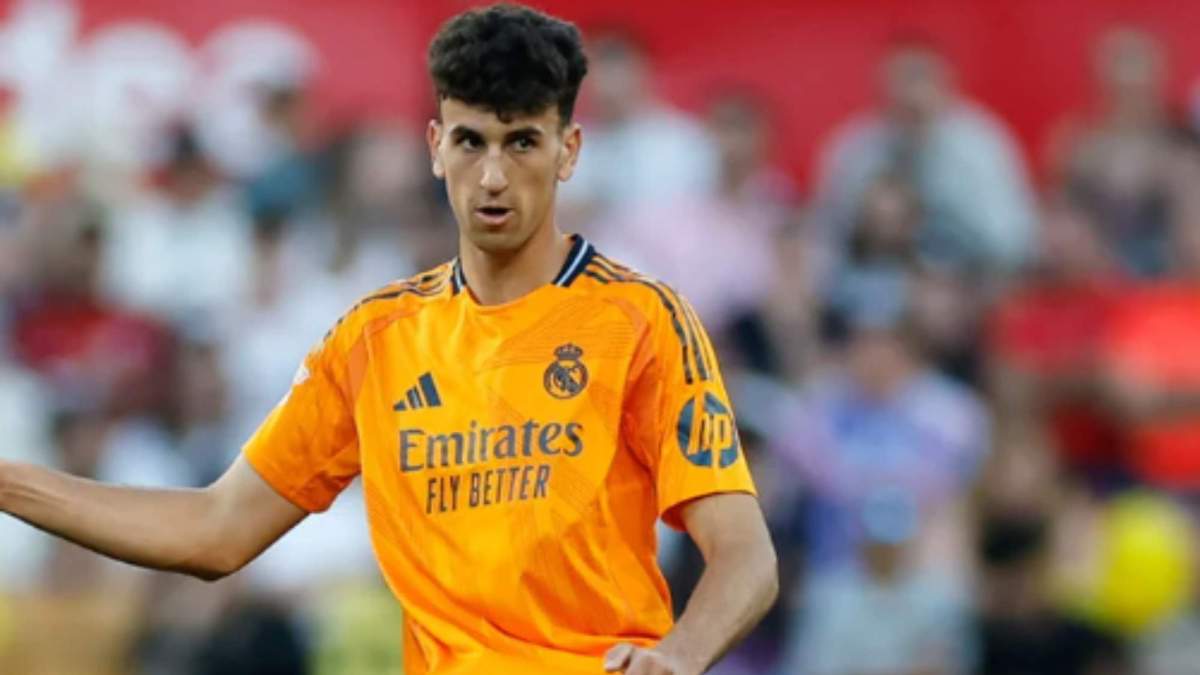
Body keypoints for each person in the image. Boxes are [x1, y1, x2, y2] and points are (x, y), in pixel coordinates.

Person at [0, 4, 778, 675]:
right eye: (472, 142)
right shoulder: (377, 336)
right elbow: (216, 530)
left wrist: (680, 653)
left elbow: (746, 556)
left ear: (567, 150)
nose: (495, 177)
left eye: (522, 142)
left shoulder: (641, 320)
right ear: (436, 146)